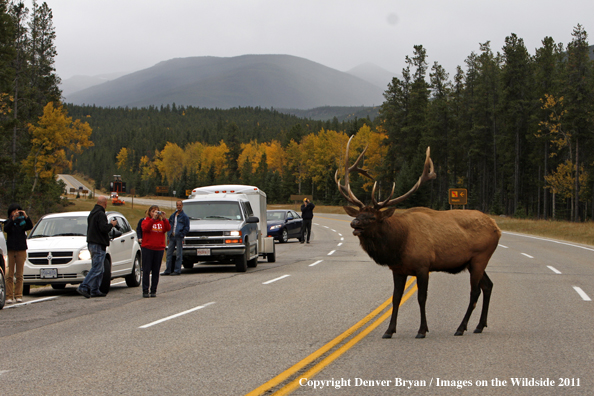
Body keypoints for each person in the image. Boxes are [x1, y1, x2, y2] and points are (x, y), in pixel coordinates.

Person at [77, 196, 118, 298]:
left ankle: (95, 289)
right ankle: (83, 286)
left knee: (100, 268)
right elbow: (103, 228)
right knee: (97, 268)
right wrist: (111, 225)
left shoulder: (92, 214)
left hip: (92, 243)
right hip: (98, 244)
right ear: (105, 203)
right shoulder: (100, 214)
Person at [4, 204, 33, 304]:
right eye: (14, 211)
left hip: (21, 249)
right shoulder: (8, 222)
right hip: (11, 249)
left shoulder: (22, 223)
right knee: (9, 274)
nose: (16, 212)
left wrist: (25, 216)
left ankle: (18, 295)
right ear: (10, 212)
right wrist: (13, 219)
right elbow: (6, 229)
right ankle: (8, 296)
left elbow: (30, 226)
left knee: (19, 274)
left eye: (18, 211)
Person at [141, 205, 170, 298]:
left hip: (159, 248)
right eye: (153, 211)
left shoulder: (161, 222)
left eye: (157, 211)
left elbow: (168, 228)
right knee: (146, 270)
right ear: (149, 212)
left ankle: (153, 290)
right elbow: (146, 228)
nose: (155, 213)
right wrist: (152, 219)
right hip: (148, 248)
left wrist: (165, 219)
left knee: (156, 271)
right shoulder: (145, 221)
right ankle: (145, 290)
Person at [162, 200, 190, 276]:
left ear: (182, 206)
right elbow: (169, 224)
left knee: (178, 254)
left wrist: (182, 234)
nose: (178, 206)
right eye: (177, 205)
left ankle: (177, 270)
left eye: (180, 205)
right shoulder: (173, 215)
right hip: (172, 236)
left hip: (179, 237)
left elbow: (187, 228)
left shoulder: (185, 217)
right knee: (169, 254)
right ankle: (168, 270)